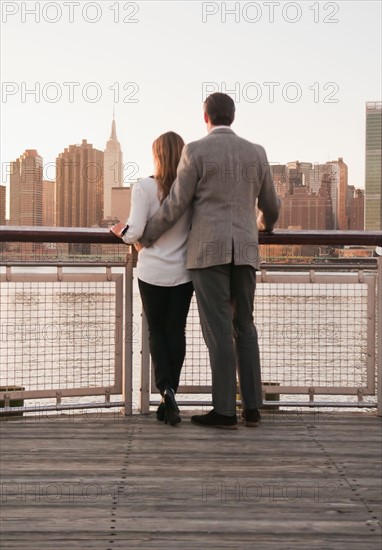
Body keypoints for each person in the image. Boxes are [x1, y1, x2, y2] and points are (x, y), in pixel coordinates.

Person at [139, 93, 280, 429]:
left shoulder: (196, 151)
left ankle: (224, 412)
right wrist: (263, 227)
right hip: (245, 249)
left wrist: (146, 236)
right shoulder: (256, 152)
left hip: (208, 253)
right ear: (232, 117)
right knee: (244, 326)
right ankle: (253, 407)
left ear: (206, 117)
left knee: (218, 330)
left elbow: (174, 205)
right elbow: (271, 207)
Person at [111, 131, 193, 426]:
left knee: (156, 331)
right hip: (184, 272)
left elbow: (133, 233)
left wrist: (119, 229)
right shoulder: (190, 189)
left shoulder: (144, 186)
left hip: (152, 272)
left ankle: (165, 389)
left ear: (156, 155)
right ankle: (171, 392)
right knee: (176, 331)